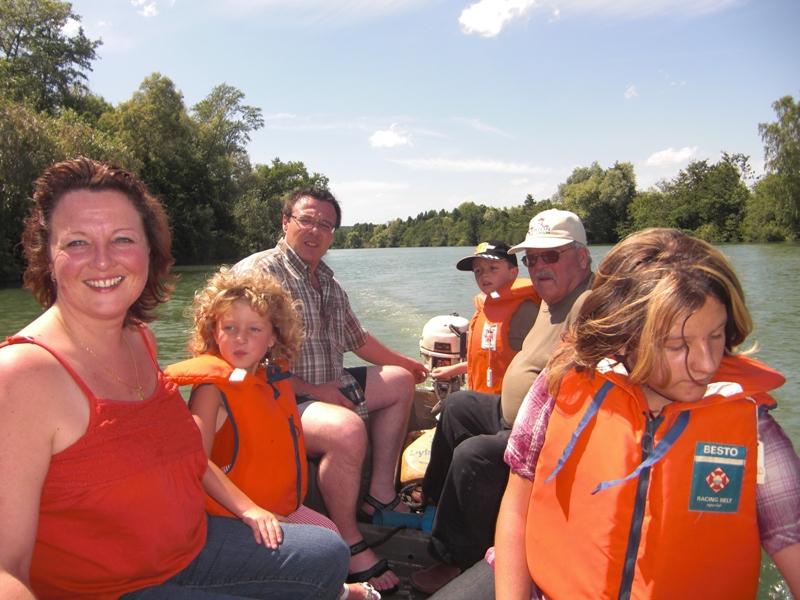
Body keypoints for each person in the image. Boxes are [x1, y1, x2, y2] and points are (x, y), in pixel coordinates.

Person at [0, 157, 349, 600]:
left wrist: (247, 509)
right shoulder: (21, 375)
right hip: (110, 588)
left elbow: (190, 456)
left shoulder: (140, 338)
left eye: (123, 239)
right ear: (47, 256)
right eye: (77, 242)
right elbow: (5, 569)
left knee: (328, 554)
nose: (103, 260)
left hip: (189, 546)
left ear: (149, 251)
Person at [494, 228, 800, 599]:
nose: (706, 364)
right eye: (678, 345)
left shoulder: (754, 427)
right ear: (624, 339)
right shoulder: (561, 383)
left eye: (716, 335)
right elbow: (517, 507)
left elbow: (792, 537)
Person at [234, 187, 429, 595]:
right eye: (306, 220)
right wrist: (313, 390)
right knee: (346, 429)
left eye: (325, 224)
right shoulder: (258, 274)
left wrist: (407, 364)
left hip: (326, 388)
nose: (315, 230)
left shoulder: (328, 282)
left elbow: (359, 340)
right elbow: (239, 357)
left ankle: (379, 496)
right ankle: (348, 539)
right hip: (276, 399)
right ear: (285, 222)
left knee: (398, 382)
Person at [165, 267, 380, 600]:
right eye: (229, 328)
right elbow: (197, 461)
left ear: (273, 337)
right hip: (229, 514)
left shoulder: (271, 382)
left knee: (329, 535)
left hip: (276, 505)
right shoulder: (212, 390)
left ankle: (332, 591)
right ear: (213, 332)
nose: (240, 338)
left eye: (254, 329)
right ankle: (338, 593)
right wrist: (250, 509)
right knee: (324, 547)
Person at [413, 210, 593, 594]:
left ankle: (455, 558)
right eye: (532, 259)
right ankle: (435, 500)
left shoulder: (590, 305)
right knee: (458, 407)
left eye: (551, 255)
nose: (539, 266)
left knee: (475, 455)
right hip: (511, 413)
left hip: (544, 434)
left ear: (582, 256)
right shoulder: (550, 297)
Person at [429, 240, 539, 394]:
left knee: (456, 403)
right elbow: (488, 360)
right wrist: (454, 369)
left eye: (493, 268)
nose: (484, 275)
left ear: (513, 273)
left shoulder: (526, 311)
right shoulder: (484, 309)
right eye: (478, 271)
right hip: (483, 397)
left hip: (510, 402)